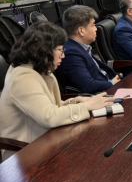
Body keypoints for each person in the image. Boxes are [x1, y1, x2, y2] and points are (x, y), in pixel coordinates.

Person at [0, 22, 114, 160]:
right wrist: (86, 106)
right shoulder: (23, 77)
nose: (63, 56)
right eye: (60, 50)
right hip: (25, 154)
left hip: (43, 140)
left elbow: (49, 107)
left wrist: (76, 101)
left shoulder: (38, 69)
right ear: (44, 50)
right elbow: (49, 117)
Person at [55, 5, 120, 94]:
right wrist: (112, 83)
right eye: (93, 25)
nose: (96, 29)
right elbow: (88, 85)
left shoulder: (80, 46)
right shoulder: (71, 54)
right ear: (81, 31)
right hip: (100, 95)